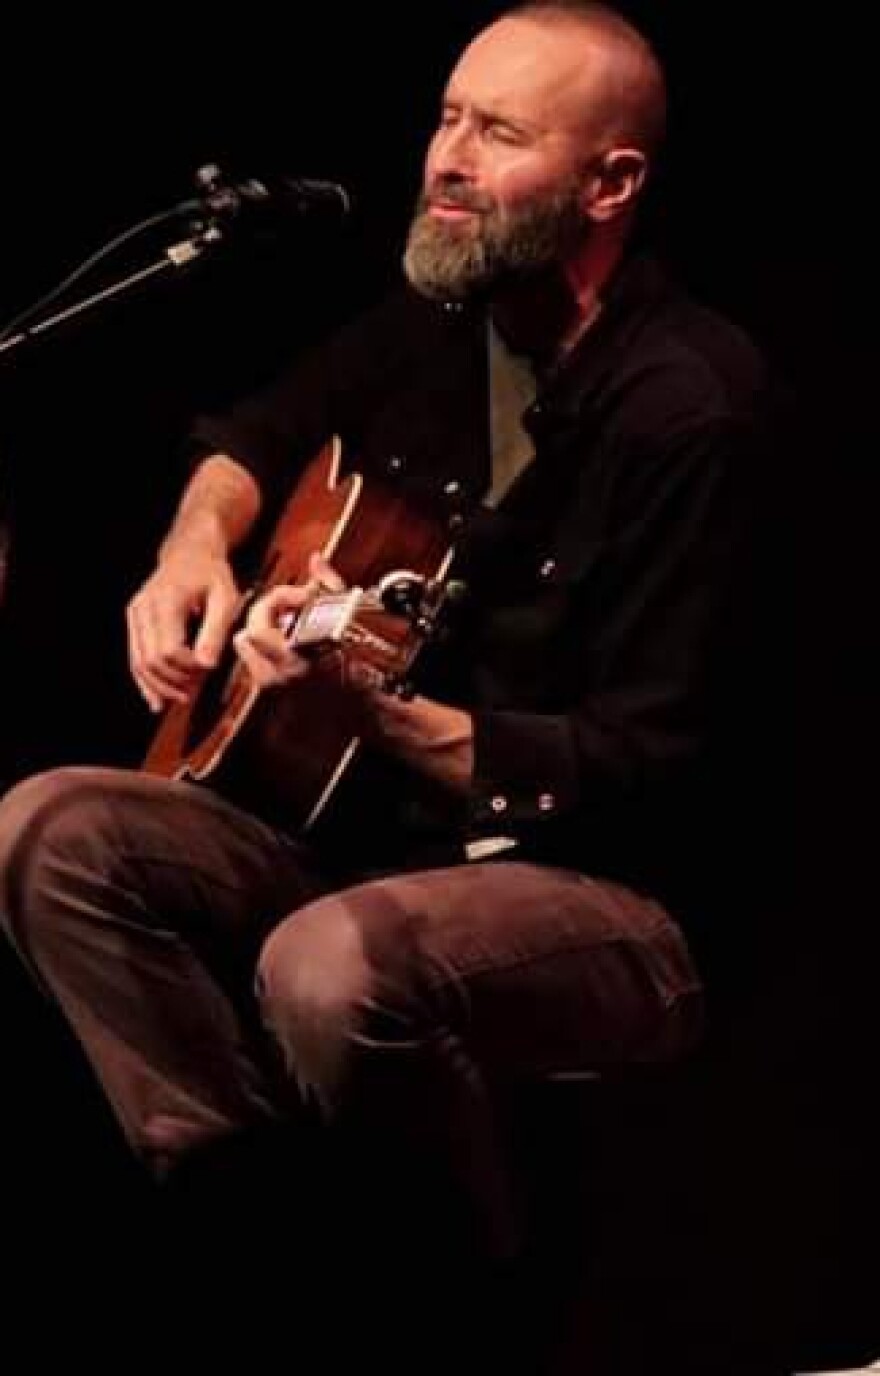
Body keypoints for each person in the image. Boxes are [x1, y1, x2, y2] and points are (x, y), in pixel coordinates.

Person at [0, 1, 794, 1365]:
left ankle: (449, 1315)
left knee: (329, 964)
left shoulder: (690, 406)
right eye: (445, 116)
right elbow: (252, 435)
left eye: (498, 131)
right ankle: (249, 1235)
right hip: (376, 855)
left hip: (615, 894)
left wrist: (381, 714)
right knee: (50, 828)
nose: (446, 157)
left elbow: (647, 759)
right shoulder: (440, 325)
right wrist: (197, 548)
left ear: (611, 184)